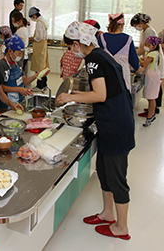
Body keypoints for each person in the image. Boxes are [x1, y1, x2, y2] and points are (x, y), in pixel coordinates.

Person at [56, 21, 134, 240]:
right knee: (104, 170)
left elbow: (99, 95)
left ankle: (122, 227)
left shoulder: (93, 59)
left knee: (117, 177)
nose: (71, 49)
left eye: (71, 45)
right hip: (113, 122)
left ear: (79, 42)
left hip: (116, 125)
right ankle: (108, 213)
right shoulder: (101, 54)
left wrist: (69, 97)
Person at [131, 13, 164, 117]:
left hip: (153, 66)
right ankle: (153, 107)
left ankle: (153, 109)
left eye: (136, 25)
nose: (136, 27)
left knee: (154, 90)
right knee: (155, 89)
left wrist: (131, 55)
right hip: (152, 63)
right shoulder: (146, 30)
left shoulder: (149, 32)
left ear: (141, 23)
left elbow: (143, 48)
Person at [0, 34, 44, 108]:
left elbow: (24, 81)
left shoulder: (17, 63)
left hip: (19, 100)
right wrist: (19, 89)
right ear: (10, 51)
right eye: (19, 53)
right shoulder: (2, 65)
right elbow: (1, 88)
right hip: (8, 104)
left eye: (22, 53)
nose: (21, 56)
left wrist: (37, 75)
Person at [97, 14, 141, 91]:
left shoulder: (102, 38)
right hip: (123, 77)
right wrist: (141, 69)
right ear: (123, 24)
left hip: (106, 77)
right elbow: (134, 61)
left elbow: (97, 57)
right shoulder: (128, 39)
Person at [140, 36, 163, 127]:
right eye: (145, 44)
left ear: (154, 46)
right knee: (151, 97)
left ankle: (150, 117)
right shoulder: (154, 53)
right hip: (153, 77)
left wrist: (137, 59)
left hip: (152, 78)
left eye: (148, 45)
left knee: (151, 98)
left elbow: (144, 65)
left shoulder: (152, 54)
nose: (146, 46)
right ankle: (151, 113)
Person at [29, 7, 50, 89]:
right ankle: (44, 84)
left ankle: (40, 85)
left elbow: (38, 37)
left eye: (31, 17)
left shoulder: (39, 23)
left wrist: (32, 39)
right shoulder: (44, 21)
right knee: (43, 66)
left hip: (39, 46)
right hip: (43, 46)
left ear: (34, 14)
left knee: (39, 67)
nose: (32, 19)